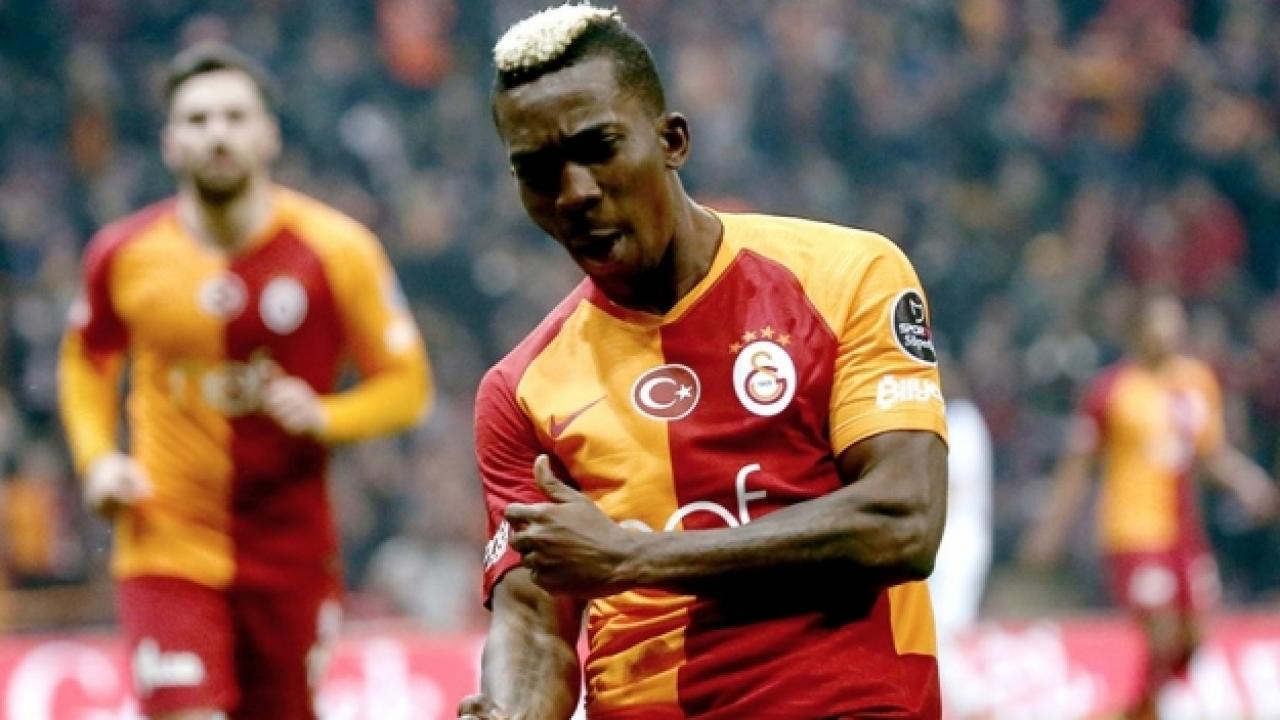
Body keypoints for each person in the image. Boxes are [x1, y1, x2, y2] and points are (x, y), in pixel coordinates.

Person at [460, 5, 949, 719]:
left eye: (599, 148)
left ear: (673, 141)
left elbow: (904, 520)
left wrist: (633, 558)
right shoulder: (519, 390)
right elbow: (535, 625)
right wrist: (510, 712)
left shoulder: (847, 276)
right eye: (538, 171)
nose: (575, 193)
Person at [58, 42, 432, 720]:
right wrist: (97, 461)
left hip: (291, 551)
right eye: (197, 120)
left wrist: (327, 416)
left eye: (234, 117)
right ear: (171, 142)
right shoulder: (123, 253)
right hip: (166, 541)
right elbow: (87, 361)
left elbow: (407, 386)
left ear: (269, 135)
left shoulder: (338, 250)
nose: (218, 135)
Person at [1021, 292, 1278, 720]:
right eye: (1157, 323)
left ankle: (1137, 710)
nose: (1167, 332)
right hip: (1134, 532)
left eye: (1173, 322)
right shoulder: (1111, 390)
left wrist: (1247, 482)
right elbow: (1079, 466)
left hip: (1185, 533)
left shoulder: (1196, 382)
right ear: (1137, 332)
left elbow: (1210, 452)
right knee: (1161, 634)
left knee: (1194, 639)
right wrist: (1052, 528)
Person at [928, 360, 993, 718]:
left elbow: (953, 483)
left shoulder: (964, 419)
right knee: (936, 627)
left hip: (961, 537)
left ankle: (971, 702)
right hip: (939, 536)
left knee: (947, 625)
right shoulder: (937, 419)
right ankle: (962, 702)